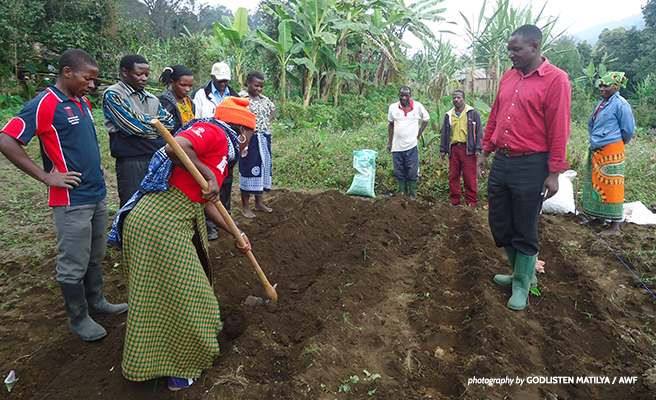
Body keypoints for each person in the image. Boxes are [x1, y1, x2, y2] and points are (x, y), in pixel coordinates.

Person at [112, 97, 255, 391]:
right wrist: (205, 173)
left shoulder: (223, 156)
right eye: (250, 135)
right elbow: (175, 146)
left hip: (168, 222)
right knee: (192, 295)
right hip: (159, 224)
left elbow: (208, 203)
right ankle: (182, 368)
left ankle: (158, 358)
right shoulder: (213, 131)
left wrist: (236, 233)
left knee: (162, 295)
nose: (249, 142)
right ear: (241, 130)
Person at [0, 49, 127, 342]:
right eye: (88, 78)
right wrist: (46, 176)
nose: (92, 85)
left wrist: (97, 169)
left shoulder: (80, 102)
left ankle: (96, 302)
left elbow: (76, 144)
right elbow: (7, 139)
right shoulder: (44, 103)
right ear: (67, 72)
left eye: (94, 80)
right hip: (71, 201)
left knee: (96, 255)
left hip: (95, 194)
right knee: (74, 261)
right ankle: (78, 318)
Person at [477, 24, 571, 311]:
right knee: (500, 221)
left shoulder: (557, 80)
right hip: (502, 160)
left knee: (526, 225)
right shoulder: (509, 76)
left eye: (515, 49)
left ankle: (522, 284)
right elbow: (495, 114)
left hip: (532, 163)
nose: (511, 55)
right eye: (509, 49)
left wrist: (554, 172)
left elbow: (559, 129)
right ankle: (521, 274)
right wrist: (485, 150)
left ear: (535, 47)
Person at [103, 54, 175, 207]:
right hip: (131, 161)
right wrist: (155, 127)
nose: (144, 78)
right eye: (139, 74)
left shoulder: (152, 99)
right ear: (124, 72)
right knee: (133, 205)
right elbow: (132, 126)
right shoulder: (114, 95)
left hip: (155, 159)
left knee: (156, 205)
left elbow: (169, 123)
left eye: (146, 75)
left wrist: (139, 122)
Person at [581, 72, 635, 236]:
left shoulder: (621, 104)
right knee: (598, 185)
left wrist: (614, 142)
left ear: (615, 87)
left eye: (606, 85)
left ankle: (615, 226)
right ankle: (598, 218)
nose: (601, 88)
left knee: (612, 186)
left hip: (612, 150)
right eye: (600, 85)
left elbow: (628, 130)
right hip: (598, 149)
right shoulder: (603, 103)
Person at [192, 61, 240, 236]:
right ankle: (209, 223)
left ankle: (224, 216)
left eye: (226, 80)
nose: (223, 84)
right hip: (206, 146)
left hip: (227, 147)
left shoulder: (235, 96)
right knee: (209, 184)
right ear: (212, 78)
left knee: (226, 182)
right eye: (220, 80)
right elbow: (195, 119)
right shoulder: (200, 95)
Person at [238, 71, 276, 218]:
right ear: (247, 83)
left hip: (264, 139)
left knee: (262, 169)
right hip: (249, 139)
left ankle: (259, 203)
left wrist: (266, 120)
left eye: (261, 86)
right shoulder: (240, 98)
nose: (259, 89)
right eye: (256, 86)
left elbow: (273, 109)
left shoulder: (264, 99)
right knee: (248, 169)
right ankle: (245, 207)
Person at [440, 90, 484, 206]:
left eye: (458, 97)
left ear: (464, 99)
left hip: (468, 149)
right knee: (453, 176)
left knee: (469, 176)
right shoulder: (449, 115)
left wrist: (478, 149)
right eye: (454, 98)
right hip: (454, 149)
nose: (456, 99)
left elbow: (479, 132)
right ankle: (454, 200)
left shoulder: (472, 113)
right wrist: (443, 150)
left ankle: (471, 201)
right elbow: (445, 134)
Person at [387, 86, 430, 200]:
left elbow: (426, 119)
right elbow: (391, 124)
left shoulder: (418, 106)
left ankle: (412, 195)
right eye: (402, 95)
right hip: (397, 146)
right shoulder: (393, 108)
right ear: (399, 95)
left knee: (412, 170)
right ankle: (402, 194)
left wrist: (419, 133)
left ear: (410, 96)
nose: (404, 97)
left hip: (411, 145)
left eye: (406, 95)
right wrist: (390, 143)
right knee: (399, 170)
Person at [157, 65, 196, 133]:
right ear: (172, 82)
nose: (187, 89)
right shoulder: (164, 102)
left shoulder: (189, 102)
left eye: (190, 86)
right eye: (183, 85)